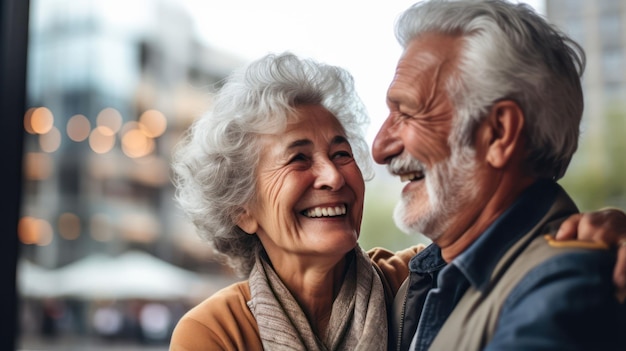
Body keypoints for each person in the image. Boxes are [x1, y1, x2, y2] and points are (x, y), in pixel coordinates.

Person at [370, 1, 626, 350]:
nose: (380, 147)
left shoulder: (564, 284)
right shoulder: (420, 284)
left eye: (408, 113)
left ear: (499, 133)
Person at [169, 52, 419, 350]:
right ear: (242, 209)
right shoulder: (214, 332)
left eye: (341, 154)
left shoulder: (417, 280)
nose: (333, 177)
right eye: (298, 158)